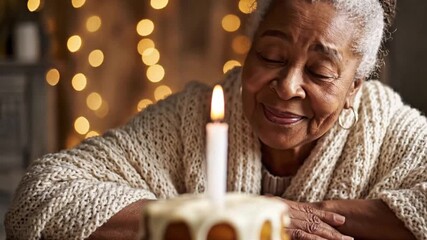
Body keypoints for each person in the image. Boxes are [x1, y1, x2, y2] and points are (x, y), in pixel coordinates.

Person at [5, 0, 426, 239]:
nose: (286, 87)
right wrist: (230, 220)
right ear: (248, 51)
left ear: (355, 86)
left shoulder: (388, 129)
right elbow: (39, 198)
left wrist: (301, 216)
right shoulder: (192, 119)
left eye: (320, 73)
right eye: (271, 57)